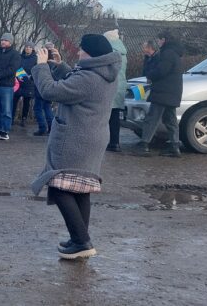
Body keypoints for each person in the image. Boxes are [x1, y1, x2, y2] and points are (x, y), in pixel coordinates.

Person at [30, 34, 121, 260]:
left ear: (90, 53)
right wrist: (60, 66)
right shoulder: (104, 73)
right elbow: (76, 84)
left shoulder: (89, 78)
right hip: (93, 137)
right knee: (80, 188)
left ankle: (81, 241)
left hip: (76, 138)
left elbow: (51, 91)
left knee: (59, 186)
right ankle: (79, 238)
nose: (79, 53)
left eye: (81, 50)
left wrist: (41, 67)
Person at [133, 31, 185, 157]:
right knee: (170, 119)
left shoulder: (167, 53)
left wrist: (150, 75)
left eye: (160, 40)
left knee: (152, 118)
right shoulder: (175, 53)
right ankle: (174, 146)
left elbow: (161, 70)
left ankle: (144, 144)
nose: (158, 42)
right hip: (172, 91)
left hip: (163, 91)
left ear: (164, 40)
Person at [105, 30, 129, 152]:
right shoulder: (123, 52)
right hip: (120, 86)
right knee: (115, 116)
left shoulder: (111, 52)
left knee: (106, 116)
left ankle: (110, 142)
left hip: (111, 85)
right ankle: (115, 142)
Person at [32, 43, 59, 136]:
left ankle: (42, 128)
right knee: (47, 108)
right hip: (51, 87)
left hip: (41, 88)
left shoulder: (43, 62)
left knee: (38, 108)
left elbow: (38, 74)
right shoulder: (55, 62)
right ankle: (51, 127)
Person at [14, 42, 37, 128]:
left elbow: (36, 70)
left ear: (32, 49)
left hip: (29, 83)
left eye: (29, 47)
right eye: (26, 47)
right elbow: (16, 67)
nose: (27, 48)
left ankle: (23, 119)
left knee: (26, 102)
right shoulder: (20, 57)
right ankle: (11, 118)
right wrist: (17, 75)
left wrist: (31, 77)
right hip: (18, 82)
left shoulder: (35, 58)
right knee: (14, 100)